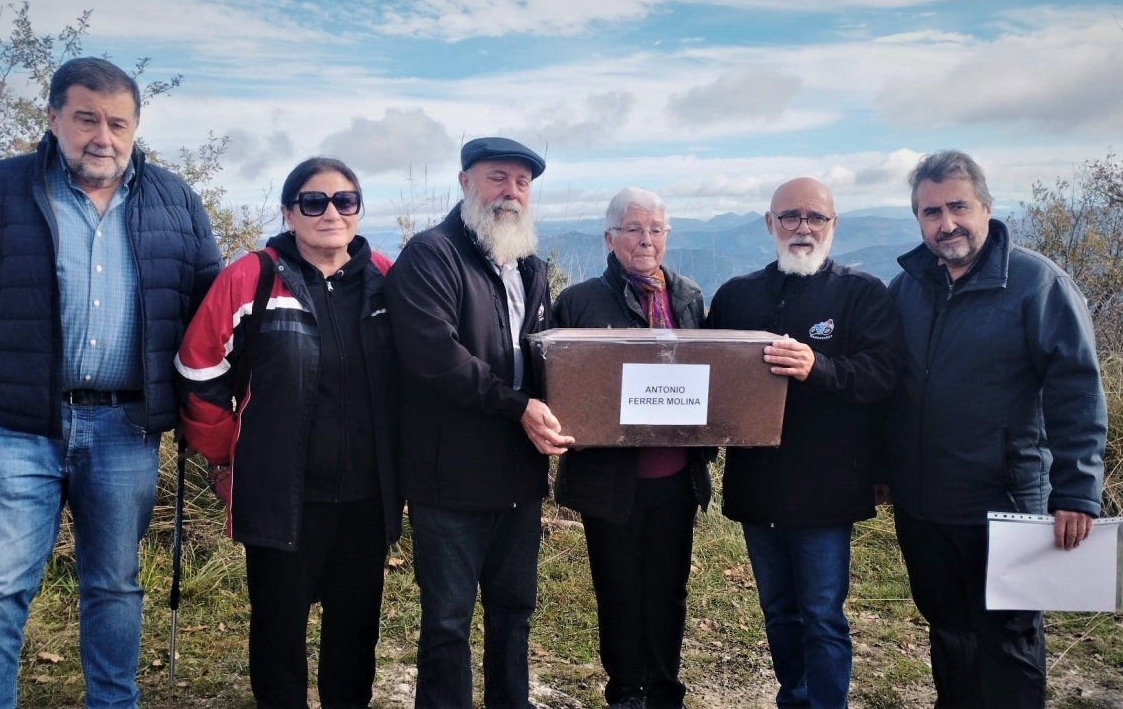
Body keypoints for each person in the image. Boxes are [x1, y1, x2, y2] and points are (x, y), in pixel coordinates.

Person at [0, 57, 221, 708]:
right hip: (17, 428)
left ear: (136, 125)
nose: (102, 136)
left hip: (126, 429)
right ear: (54, 117)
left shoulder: (176, 200)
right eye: (87, 118)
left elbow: (208, 318)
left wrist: (207, 421)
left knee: (114, 586)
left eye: (118, 122)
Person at [175, 157, 402, 708]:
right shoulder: (251, 277)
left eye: (344, 200)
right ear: (288, 211)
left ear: (358, 208)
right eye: (313, 201)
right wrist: (232, 454)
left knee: (354, 635)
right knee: (278, 635)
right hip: (280, 496)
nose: (330, 212)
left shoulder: (384, 276)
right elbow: (198, 371)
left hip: (367, 497)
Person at [886, 150, 1106, 709]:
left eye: (958, 206)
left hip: (1006, 500)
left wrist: (1077, 490)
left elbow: (1076, 388)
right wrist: (882, 470)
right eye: (931, 212)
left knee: (1008, 642)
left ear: (986, 206)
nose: (946, 223)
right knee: (948, 633)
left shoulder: (1037, 283)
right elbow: (892, 389)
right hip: (923, 503)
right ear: (918, 219)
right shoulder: (907, 287)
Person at [384, 136, 574, 709]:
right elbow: (434, 357)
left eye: (521, 183)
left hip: (518, 473)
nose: (510, 192)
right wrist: (519, 406)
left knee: (515, 614)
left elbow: (537, 358)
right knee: (447, 622)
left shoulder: (530, 266)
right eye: (497, 178)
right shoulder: (431, 255)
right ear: (465, 182)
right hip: (450, 477)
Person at [705, 177, 902, 709]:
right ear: (769, 224)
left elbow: (884, 376)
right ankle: (794, 696)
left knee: (822, 615)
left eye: (816, 218)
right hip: (757, 485)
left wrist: (821, 368)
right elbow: (704, 382)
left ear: (833, 226)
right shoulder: (735, 296)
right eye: (790, 217)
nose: (803, 228)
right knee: (778, 611)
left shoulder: (862, 293)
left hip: (827, 488)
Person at [551, 187, 714, 709]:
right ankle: (624, 690)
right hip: (611, 479)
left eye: (656, 230)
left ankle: (666, 690)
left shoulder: (688, 296)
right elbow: (559, 388)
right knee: (618, 591)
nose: (646, 240)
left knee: (669, 591)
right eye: (633, 230)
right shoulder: (578, 301)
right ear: (609, 237)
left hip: (676, 477)